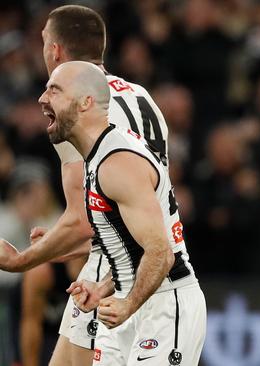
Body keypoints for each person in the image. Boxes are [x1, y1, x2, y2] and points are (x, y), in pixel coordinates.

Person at [0, 5, 170, 365]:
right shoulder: (143, 97)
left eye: (45, 41)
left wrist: (20, 260)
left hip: (118, 268)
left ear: (56, 50)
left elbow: (81, 220)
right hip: (143, 258)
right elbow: (115, 208)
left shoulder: (73, 106)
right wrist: (62, 244)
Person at [35, 60, 206, 365]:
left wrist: (128, 304)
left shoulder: (117, 162)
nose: (42, 98)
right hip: (126, 303)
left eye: (54, 90)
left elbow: (160, 253)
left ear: (86, 102)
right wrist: (103, 288)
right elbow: (133, 246)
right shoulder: (98, 155)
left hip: (164, 305)